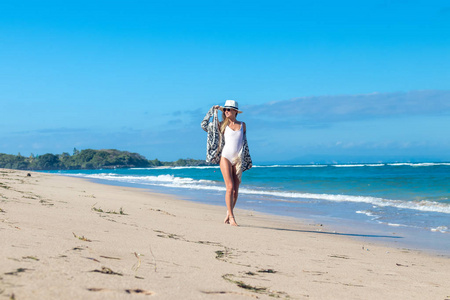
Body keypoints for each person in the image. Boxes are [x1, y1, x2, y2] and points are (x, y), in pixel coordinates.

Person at [201, 100, 252, 226]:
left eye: (229, 109)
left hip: (238, 160)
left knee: (235, 191)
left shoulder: (243, 125)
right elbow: (204, 125)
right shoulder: (222, 125)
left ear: (235, 111)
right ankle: (232, 217)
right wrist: (213, 111)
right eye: (225, 109)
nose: (226, 111)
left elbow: (244, 144)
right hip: (225, 157)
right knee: (229, 188)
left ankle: (228, 214)